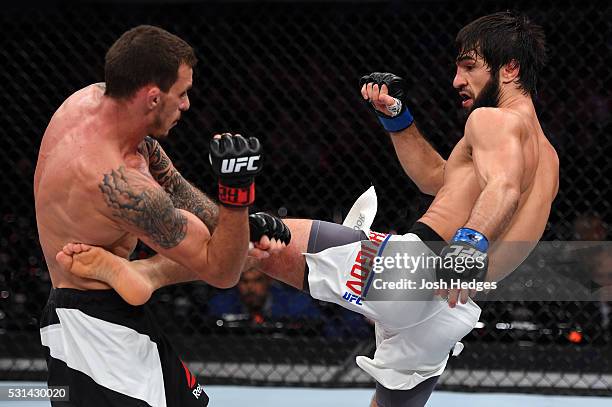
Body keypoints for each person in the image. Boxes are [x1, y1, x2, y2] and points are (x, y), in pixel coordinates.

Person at [57, 11, 559, 407]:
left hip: (419, 268)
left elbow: (503, 189)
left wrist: (468, 244)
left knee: (256, 242)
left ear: (508, 68)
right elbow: (439, 179)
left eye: (468, 65)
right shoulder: (547, 153)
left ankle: (148, 274)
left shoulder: (493, 122)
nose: (456, 80)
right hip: (451, 312)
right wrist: (399, 121)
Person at [33, 25, 289, 407]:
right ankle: (145, 273)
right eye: (182, 93)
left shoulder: (88, 101)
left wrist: (235, 226)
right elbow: (221, 271)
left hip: (101, 314)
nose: (186, 104)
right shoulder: (117, 184)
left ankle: (142, 273)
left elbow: (171, 183)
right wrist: (236, 197)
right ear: (153, 97)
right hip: (99, 343)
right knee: (233, 256)